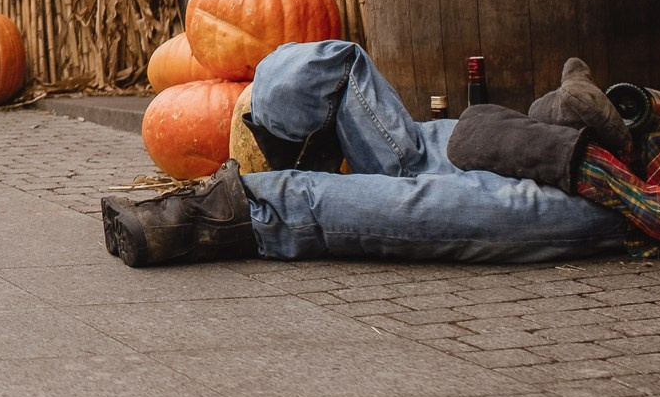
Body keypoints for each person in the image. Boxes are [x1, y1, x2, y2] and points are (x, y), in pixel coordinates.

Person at [101, 40, 631, 266]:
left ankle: (217, 214)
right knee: (337, 67)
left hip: (599, 200)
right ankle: (285, 152)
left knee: (410, 203)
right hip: (499, 143)